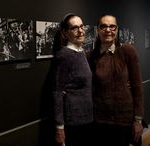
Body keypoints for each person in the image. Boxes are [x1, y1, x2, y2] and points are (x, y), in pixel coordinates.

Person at [89, 14, 144, 146]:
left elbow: (137, 87)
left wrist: (138, 120)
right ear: (98, 29)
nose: (108, 30)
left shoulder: (128, 51)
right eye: (104, 26)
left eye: (112, 26)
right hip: (100, 121)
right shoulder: (91, 56)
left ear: (117, 29)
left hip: (125, 120)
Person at [52, 13, 93, 146]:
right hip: (73, 123)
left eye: (82, 26)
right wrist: (59, 127)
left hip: (87, 119)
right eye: (75, 28)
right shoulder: (64, 55)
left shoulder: (81, 52)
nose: (80, 31)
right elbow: (57, 92)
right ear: (65, 32)